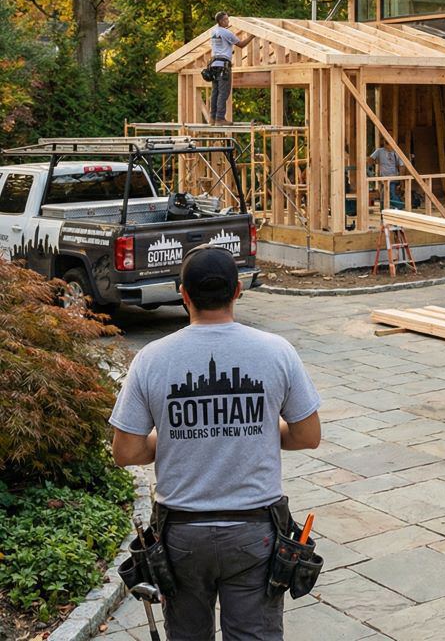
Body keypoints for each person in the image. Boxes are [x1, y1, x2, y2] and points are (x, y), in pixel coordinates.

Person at [109, 246, 322, 641]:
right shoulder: (277, 352)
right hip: (254, 532)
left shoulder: (152, 359)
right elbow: (308, 436)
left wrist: (174, 435)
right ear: (238, 290)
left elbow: (126, 451)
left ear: (182, 294)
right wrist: (255, 428)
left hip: (182, 536)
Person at [209, 12, 250, 126]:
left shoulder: (214, 31)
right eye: (226, 19)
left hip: (214, 64)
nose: (228, 21)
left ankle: (212, 118)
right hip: (223, 65)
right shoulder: (226, 32)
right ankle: (220, 119)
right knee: (224, 91)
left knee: (215, 91)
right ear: (221, 21)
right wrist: (252, 36)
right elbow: (241, 44)